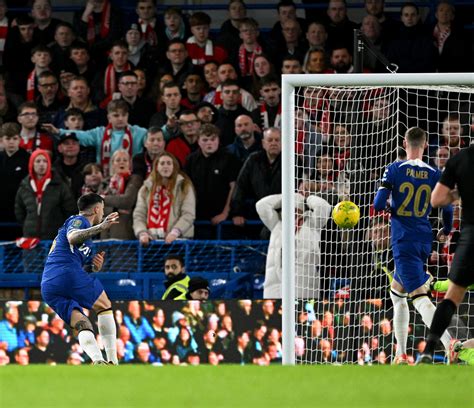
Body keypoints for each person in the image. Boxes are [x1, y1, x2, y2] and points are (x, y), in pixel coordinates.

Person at [373, 127, 453, 365]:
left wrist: (391, 208)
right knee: (397, 293)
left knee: (419, 298)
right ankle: (400, 354)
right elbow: (448, 208)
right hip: (424, 238)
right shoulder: (434, 172)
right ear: (425, 145)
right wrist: (446, 229)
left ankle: (451, 345)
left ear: (403, 143)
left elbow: (378, 204)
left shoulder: (394, 169)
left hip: (403, 240)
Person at [41, 193, 119, 365]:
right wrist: (101, 227)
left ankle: (98, 361)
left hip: (49, 285)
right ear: (97, 209)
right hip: (66, 272)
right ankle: (113, 360)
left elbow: (80, 263)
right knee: (104, 305)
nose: (103, 213)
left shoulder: (86, 238)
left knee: (82, 323)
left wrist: (94, 267)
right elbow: (72, 237)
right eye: (102, 209)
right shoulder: (79, 220)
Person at [418, 143, 474, 364]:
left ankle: (429, 349)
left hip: (471, 237)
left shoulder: (460, 159)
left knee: (452, 297)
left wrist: (460, 193)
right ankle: (461, 349)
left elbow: (436, 200)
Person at [256, 185, 331, 298]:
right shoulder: (277, 224)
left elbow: (323, 207)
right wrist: (287, 197)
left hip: (305, 286)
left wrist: (307, 198)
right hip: (276, 287)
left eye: (296, 209)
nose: (293, 212)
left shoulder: (313, 224)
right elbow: (261, 205)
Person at [133, 151, 196, 245]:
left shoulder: (184, 186)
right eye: (162, 163)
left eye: (169, 163)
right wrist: (142, 232)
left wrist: (175, 232)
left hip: (179, 240)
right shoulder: (146, 188)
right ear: (156, 167)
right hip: (151, 241)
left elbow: (188, 214)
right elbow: (139, 214)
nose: (165, 166)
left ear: (174, 166)